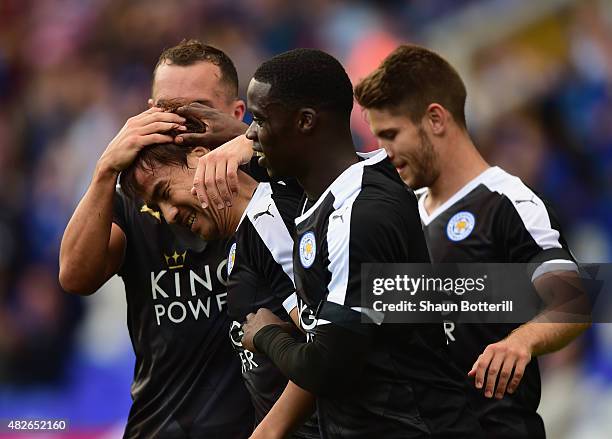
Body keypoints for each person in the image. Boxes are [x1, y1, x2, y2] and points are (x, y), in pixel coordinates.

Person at [236, 48, 484, 438]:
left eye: (261, 119)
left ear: (305, 122)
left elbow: (328, 368)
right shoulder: (332, 195)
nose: (250, 133)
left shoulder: (358, 217)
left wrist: (266, 334)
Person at [353, 44, 590, 438]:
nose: (384, 153)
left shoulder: (507, 201)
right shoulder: (399, 214)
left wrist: (522, 341)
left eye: (391, 135)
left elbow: (575, 301)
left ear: (435, 119)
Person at [59, 40, 254, 438]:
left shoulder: (276, 179)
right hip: (161, 426)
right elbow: (76, 277)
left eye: (197, 109)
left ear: (235, 114)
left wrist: (250, 140)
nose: (179, 126)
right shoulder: (133, 200)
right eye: (167, 110)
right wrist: (104, 170)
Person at [118, 139, 320, 438]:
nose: (169, 214)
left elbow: (325, 345)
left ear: (202, 156)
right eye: (157, 208)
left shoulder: (268, 217)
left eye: (164, 193)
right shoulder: (241, 236)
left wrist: (268, 433)